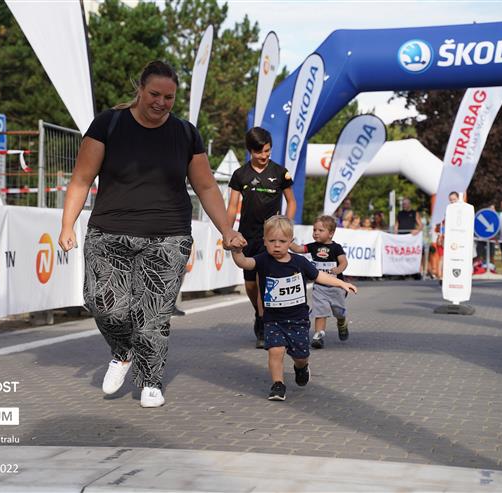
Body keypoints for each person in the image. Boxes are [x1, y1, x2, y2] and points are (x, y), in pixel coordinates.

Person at [57, 61, 245, 408]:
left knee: (152, 315)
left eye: (169, 97)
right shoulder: (108, 124)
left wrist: (226, 229)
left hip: (168, 236)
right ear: (140, 90)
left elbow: (205, 186)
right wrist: (67, 225)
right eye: (154, 94)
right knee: (105, 305)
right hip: (108, 233)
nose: (161, 102)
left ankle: (151, 380)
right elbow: (81, 180)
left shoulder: (185, 133)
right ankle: (122, 352)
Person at [232, 215, 356, 400]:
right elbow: (244, 262)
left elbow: (319, 276)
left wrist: (341, 283)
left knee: (300, 356)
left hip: (298, 319)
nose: (277, 245)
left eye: (282, 241)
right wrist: (237, 251)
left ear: (290, 241)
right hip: (273, 319)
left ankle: (301, 368)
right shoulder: (262, 260)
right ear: (264, 241)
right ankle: (278, 384)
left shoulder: (299, 262)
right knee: (275, 351)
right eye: (272, 241)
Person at [227, 127, 296, 348]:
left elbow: (291, 202)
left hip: (271, 238)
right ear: (250, 150)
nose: (264, 155)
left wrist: (285, 226)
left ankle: (264, 325)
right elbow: (232, 206)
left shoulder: (281, 173)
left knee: (263, 281)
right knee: (250, 286)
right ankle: (259, 313)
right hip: (247, 237)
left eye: (267, 151)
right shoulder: (240, 175)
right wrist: (227, 232)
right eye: (259, 152)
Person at [289, 215, 349, 349]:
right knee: (320, 310)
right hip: (320, 286)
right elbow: (298, 249)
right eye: (314, 230)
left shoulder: (336, 248)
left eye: (320, 230)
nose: (316, 233)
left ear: (331, 233)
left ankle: (342, 322)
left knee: (338, 311)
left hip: (336, 286)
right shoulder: (312, 246)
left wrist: (338, 269)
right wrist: (288, 241)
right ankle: (318, 335)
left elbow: (344, 262)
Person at [437, 191, 460, 282]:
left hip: (457, 238)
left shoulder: (462, 210)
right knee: (443, 257)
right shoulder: (448, 210)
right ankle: (440, 276)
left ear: (458, 199)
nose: (452, 201)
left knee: (455, 258)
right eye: (451, 200)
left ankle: (453, 276)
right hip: (446, 238)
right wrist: (441, 236)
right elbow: (443, 224)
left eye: (454, 199)